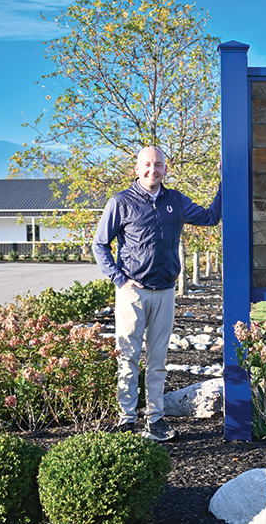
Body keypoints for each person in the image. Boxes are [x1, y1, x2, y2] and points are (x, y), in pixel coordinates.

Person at [93, 146, 222, 441]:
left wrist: (223, 179)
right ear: (137, 169)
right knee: (128, 358)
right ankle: (127, 420)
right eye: (148, 165)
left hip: (165, 292)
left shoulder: (175, 200)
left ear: (166, 168)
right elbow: (100, 245)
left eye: (159, 165)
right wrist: (119, 279)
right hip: (133, 293)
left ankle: (155, 420)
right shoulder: (121, 202)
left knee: (158, 361)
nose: (154, 170)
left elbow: (211, 217)